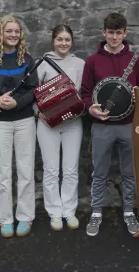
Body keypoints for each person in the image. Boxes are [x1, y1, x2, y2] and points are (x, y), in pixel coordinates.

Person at [80, 12, 139, 237]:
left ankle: (129, 211)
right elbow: (85, 93)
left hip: (128, 125)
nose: (115, 37)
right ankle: (96, 212)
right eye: (111, 33)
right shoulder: (92, 61)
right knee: (99, 172)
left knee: (129, 172)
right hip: (102, 126)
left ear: (125, 33)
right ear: (104, 32)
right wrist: (90, 108)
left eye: (119, 33)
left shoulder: (135, 60)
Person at [0, 15, 38, 238]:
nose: (13, 35)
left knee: (25, 172)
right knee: (2, 173)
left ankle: (25, 217)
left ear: (20, 35)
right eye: (8, 31)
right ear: (0, 33)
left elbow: (34, 90)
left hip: (24, 122)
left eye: (16, 31)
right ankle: (5, 220)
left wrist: (17, 103)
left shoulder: (27, 60)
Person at [35, 24, 85, 231]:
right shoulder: (42, 64)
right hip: (47, 124)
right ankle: (55, 212)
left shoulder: (80, 64)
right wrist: (40, 114)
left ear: (72, 41)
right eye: (59, 39)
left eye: (67, 39)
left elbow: (84, 92)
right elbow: (33, 94)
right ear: (53, 41)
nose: (63, 43)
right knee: (51, 170)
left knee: (71, 169)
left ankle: (69, 211)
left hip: (73, 123)